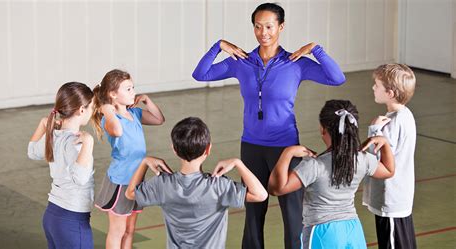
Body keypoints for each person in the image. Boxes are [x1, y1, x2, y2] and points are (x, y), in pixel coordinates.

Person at [192, 2, 346, 248]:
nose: (263, 32)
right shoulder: (241, 61)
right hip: (251, 146)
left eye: (269, 26)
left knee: (293, 214)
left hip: (285, 147)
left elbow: (337, 78)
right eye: (257, 26)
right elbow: (201, 74)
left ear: (281, 27)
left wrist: (315, 49)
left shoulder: (295, 63)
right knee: (253, 213)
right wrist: (218, 46)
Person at [268, 99, 395, 248]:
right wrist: (384, 143)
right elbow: (388, 170)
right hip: (353, 230)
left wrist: (287, 153)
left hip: (323, 232)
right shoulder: (362, 159)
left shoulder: (314, 166)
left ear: (323, 129)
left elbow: (276, 188)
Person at [125, 117, 268, 249]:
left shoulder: (162, 184)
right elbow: (260, 195)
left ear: (174, 149)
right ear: (208, 149)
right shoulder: (218, 186)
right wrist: (238, 163)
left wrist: (144, 162)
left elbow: (130, 193)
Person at [91, 69, 165, 249]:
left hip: (137, 180)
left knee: (130, 230)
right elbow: (117, 131)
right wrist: (107, 110)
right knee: (118, 230)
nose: (133, 92)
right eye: (128, 89)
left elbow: (159, 119)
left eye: (133, 88)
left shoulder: (136, 114)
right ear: (113, 94)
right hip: (121, 181)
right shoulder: (109, 120)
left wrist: (147, 100)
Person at [27, 82, 95, 249]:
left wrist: (43, 124)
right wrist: (89, 143)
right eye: (91, 107)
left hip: (53, 217)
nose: (93, 111)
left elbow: (32, 151)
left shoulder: (54, 136)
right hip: (72, 222)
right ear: (81, 110)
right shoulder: (77, 142)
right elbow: (80, 178)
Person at [362, 64, 417, 248]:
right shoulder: (406, 115)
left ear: (390, 93)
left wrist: (374, 129)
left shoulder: (391, 123)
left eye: (376, 85)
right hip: (400, 197)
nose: (373, 88)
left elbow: (377, 161)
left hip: (390, 199)